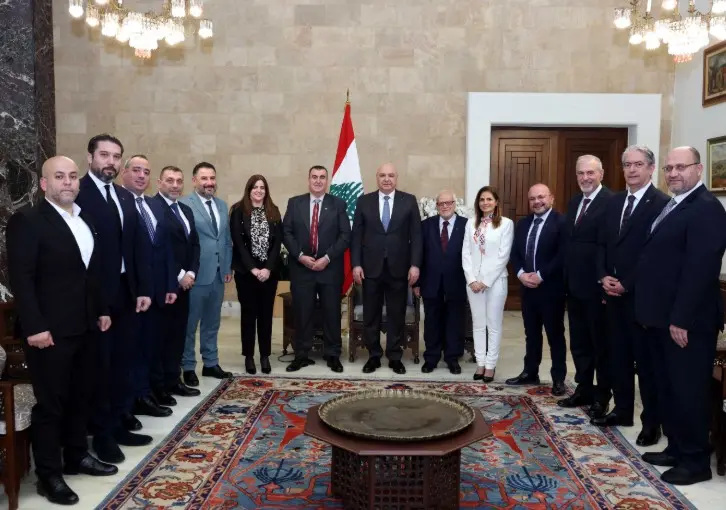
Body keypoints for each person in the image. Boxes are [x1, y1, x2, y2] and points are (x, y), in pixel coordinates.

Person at [7, 156, 117, 506]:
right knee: (51, 404)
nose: (67, 182)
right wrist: (35, 326)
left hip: (85, 325)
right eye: (59, 176)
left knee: (80, 395)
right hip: (49, 331)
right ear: (44, 184)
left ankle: (76, 455)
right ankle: (48, 475)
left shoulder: (84, 219)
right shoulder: (28, 220)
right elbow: (21, 278)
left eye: (72, 176)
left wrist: (102, 310)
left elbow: (91, 273)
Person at [635, 146, 726, 486]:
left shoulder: (706, 209)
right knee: (669, 387)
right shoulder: (675, 204)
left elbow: (700, 270)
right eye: (669, 168)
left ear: (698, 170)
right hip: (662, 319)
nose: (673, 173)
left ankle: (696, 460)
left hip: (687, 322)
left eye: (681, 167)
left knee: (689, 391)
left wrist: (681, 319)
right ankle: (676, 448)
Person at [75, 134, 153, 464]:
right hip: (97, 296)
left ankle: (120, 422)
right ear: (90, 157)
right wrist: (95, 302)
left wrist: (143, 288)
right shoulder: (79, 193)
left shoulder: (123, 195)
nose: (111, 162)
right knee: (102, 367)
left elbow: (136, 245)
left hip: (126, 291)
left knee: (124, 360)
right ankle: (102, 434)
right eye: (104, 155)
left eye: (116, 156)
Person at [594, 145, 669, 447]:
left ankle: (652, 423)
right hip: (613, 296)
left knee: (646, 364)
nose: (632, 170)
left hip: (642, 298)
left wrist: (627, 283)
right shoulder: (614, 202)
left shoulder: (661, 203)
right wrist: (603, 276)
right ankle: (622, 410)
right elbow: (601, 244)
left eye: (638, 164)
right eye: (627, 165)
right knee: (619, 357)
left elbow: (655, 254)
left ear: (651, 168)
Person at [120, 155, 177, 422]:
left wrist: (170, 284)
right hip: (130, 291)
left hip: (156, 290)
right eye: (136, 170)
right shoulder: (119, 203)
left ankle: (144, 394)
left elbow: (164, 248)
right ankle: (128, 400)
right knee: (128, 349)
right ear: (124, 173)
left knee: (148, 345)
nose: (141, 176)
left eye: (146, 171)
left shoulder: (153, 205)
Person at [351, 163, 423, 375]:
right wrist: (356, 264)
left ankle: (394, 356)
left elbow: (416, 236)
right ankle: (373, 355)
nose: (386, 179)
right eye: (382, 175)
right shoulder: (364, 201)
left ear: (396, 178)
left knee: (396, 314)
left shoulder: (408, 201)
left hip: (399, 268)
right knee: (371, 314)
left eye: (391, 175)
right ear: (377, 178)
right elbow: (356, 236)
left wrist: (415, 265)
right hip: (370, 268)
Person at [558, 155, 613, 419]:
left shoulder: (611, 202)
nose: (585, 178)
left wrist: (604, 283)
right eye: (581, 173)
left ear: (601, 173)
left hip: (596, 289)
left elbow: (610, 247)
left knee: (600, 345)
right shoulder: (574, 202)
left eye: (590, 173)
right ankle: (584, 389)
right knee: (579, 343)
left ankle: (602, 396)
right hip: (574, 287)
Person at [282, 165, 351, 372]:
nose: (318, 181)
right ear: (308, 179)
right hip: (302, 269)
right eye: (314, 177)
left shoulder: (338, 204)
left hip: (329, 269)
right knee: (302, 313)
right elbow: (286, 232)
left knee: (332, 312)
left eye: (322, 177)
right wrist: (300, 256)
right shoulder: (295, 203)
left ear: (327, 181)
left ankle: (333, 354)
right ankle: (301, 355)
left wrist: (327, 258)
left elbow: (345, 235)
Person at [506, 184, 567, 395]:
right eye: (532, 198)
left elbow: (562, 255)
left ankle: (558, 378)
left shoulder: (561, 222)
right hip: (527, 288)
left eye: (541, 197)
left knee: (555, 334)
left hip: (551, 288)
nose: (537, 202)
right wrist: (521, 274)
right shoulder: (523, 223)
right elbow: (515, 253)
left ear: (551, 198)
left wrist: (541, 275)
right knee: (531, 333)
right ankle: (530, 372)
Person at [151, 166, 202, 406]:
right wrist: (179, 274)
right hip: (164, 284)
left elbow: (194, 245)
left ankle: (174, 380)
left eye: (179, 181)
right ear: (159, 182)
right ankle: (158, 386)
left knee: (177, 335)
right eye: (169, 180)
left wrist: (191, 272)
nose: (175, 185)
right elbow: (158, 248)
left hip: (185, 285)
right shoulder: (153, 207)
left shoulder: (185, 210)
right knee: (160, 337)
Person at [180, 162, 233, 385]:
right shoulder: (184, 204)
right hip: (196, 275)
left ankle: (211, 363)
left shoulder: (221, 205)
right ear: (194, 181)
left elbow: (226, 239)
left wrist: (227, 267)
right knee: (190, 324)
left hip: (218, 275)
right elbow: (182, 242)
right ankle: (188, 366)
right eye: (204, 178)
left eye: (212, 178)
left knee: (212, 323)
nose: (209, 182)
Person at [230, 174, 283, 375]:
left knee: (266, 315)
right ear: (249, 190)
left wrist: (267, 268)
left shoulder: (274, 211)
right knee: (248, 315)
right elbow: (238, 243)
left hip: (269, 274)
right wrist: (253, 269)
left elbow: (277, 243)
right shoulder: (238, 210)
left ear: (266, 191)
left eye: (262, 187)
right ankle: (249, 356)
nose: (259, 191)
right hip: (246, 272)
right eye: (255, 187)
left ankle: (265, 356)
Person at [462, 186, 513, 382]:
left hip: (496, 282)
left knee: (493, 324)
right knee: (478, 324)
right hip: (473, 283)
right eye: (482, 199)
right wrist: (472, 279)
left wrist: (486, 281)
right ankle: (480, 363)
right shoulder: (471, 223)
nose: (485, 203)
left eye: (489, 199)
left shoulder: (506, 224)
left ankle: (490, 365)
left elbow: (503, 256)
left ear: (496, 202)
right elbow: (466, 253)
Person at [414, 190, 468, 375]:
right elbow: (419, 254)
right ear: (436, 206)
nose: (445, 206)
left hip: (457, 282)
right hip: (431, 282)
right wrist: (417, 283)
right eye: (441, 203)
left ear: (454, 204)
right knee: (432, 322)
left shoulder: (466, 225)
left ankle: (452, 358)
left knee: (455, 321)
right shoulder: (426, 225)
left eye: (448, 203)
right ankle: (431, 357)